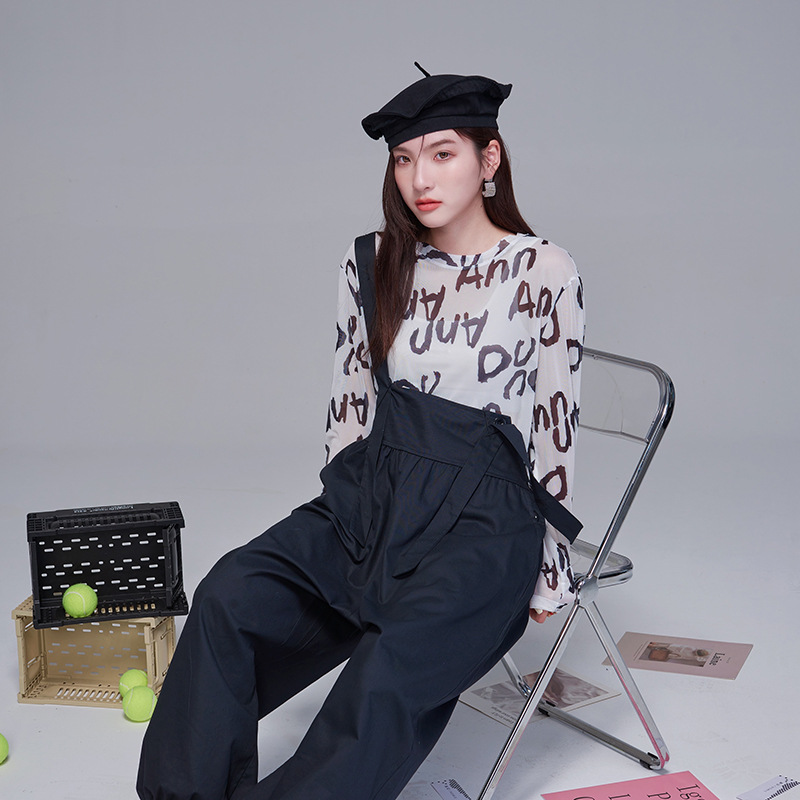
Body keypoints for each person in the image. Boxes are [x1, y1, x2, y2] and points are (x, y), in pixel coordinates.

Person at [137, 64, 585, 800]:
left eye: (442, 153)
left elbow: (555, 422)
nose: (420, 178)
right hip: (376, 495)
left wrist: (552, 569)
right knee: (228, 595)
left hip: (486, 520)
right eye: (404, 159)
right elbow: (349, 402)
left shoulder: (543, 270)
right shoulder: (374, 261)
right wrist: (342, 512)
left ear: (490, 159)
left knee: (384, 676)